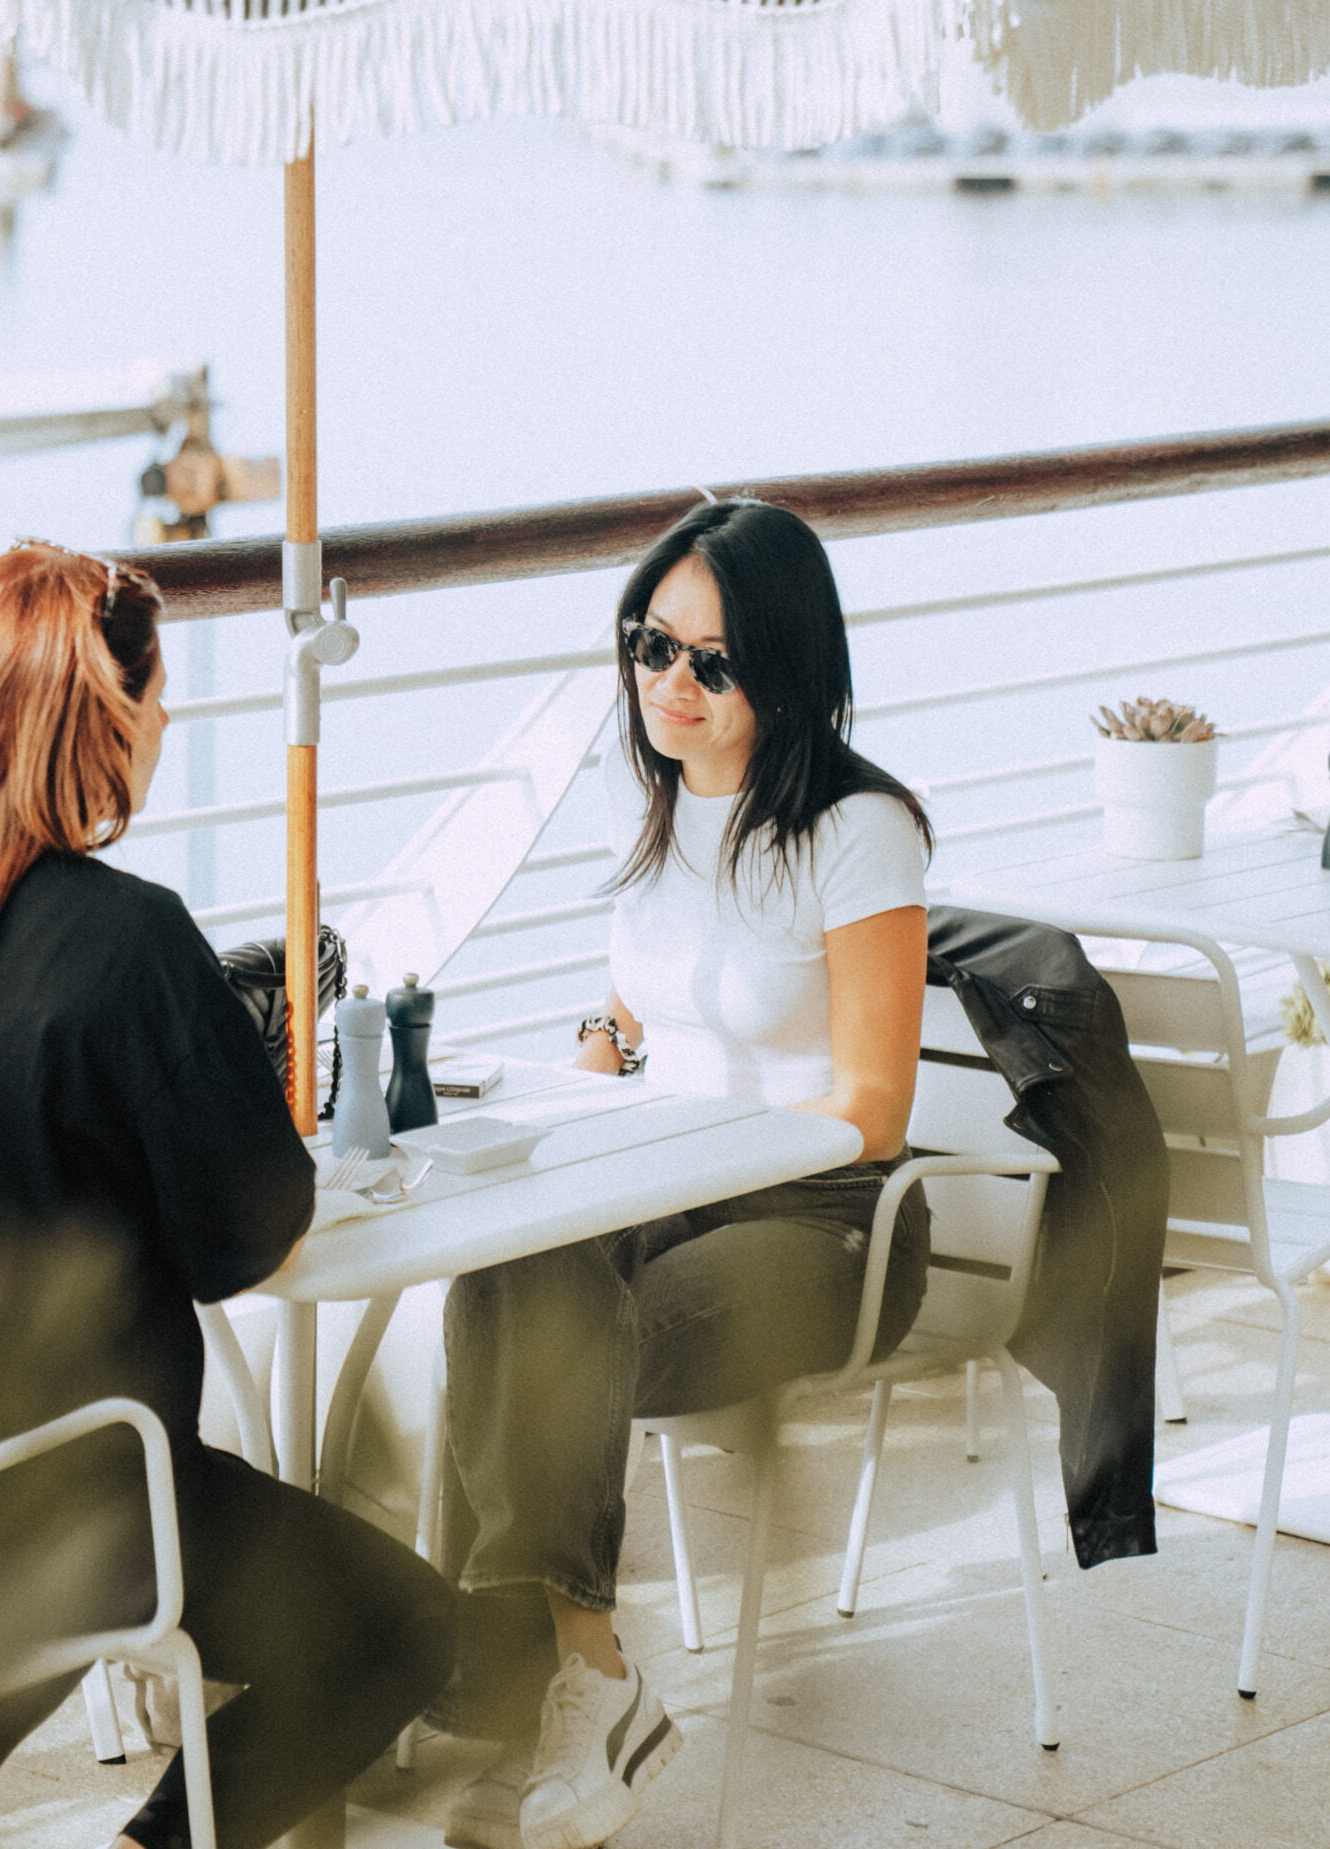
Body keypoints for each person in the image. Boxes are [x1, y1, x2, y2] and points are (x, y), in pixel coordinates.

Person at [0, 541, 453, 1849]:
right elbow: (248, 1236)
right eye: (156, 698)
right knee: (395, 1632)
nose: (167, 723)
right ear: (98, 719)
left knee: (22, 1498)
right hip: (58, 1515)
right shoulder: (127, 939)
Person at [439, 500, 933, 1849]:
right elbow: (643, 1000)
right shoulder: (646, 796)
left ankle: (546, 1688)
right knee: (499, 1267)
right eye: (652, 645)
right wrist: (594, 1060)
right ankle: (572, 1682)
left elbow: (874, 1108)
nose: (672, 685)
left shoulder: (860, 829)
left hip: (831, 1217)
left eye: (713, 664)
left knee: (548, 1344)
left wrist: (673, 1151)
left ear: (788, 669)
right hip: (666, 1179)